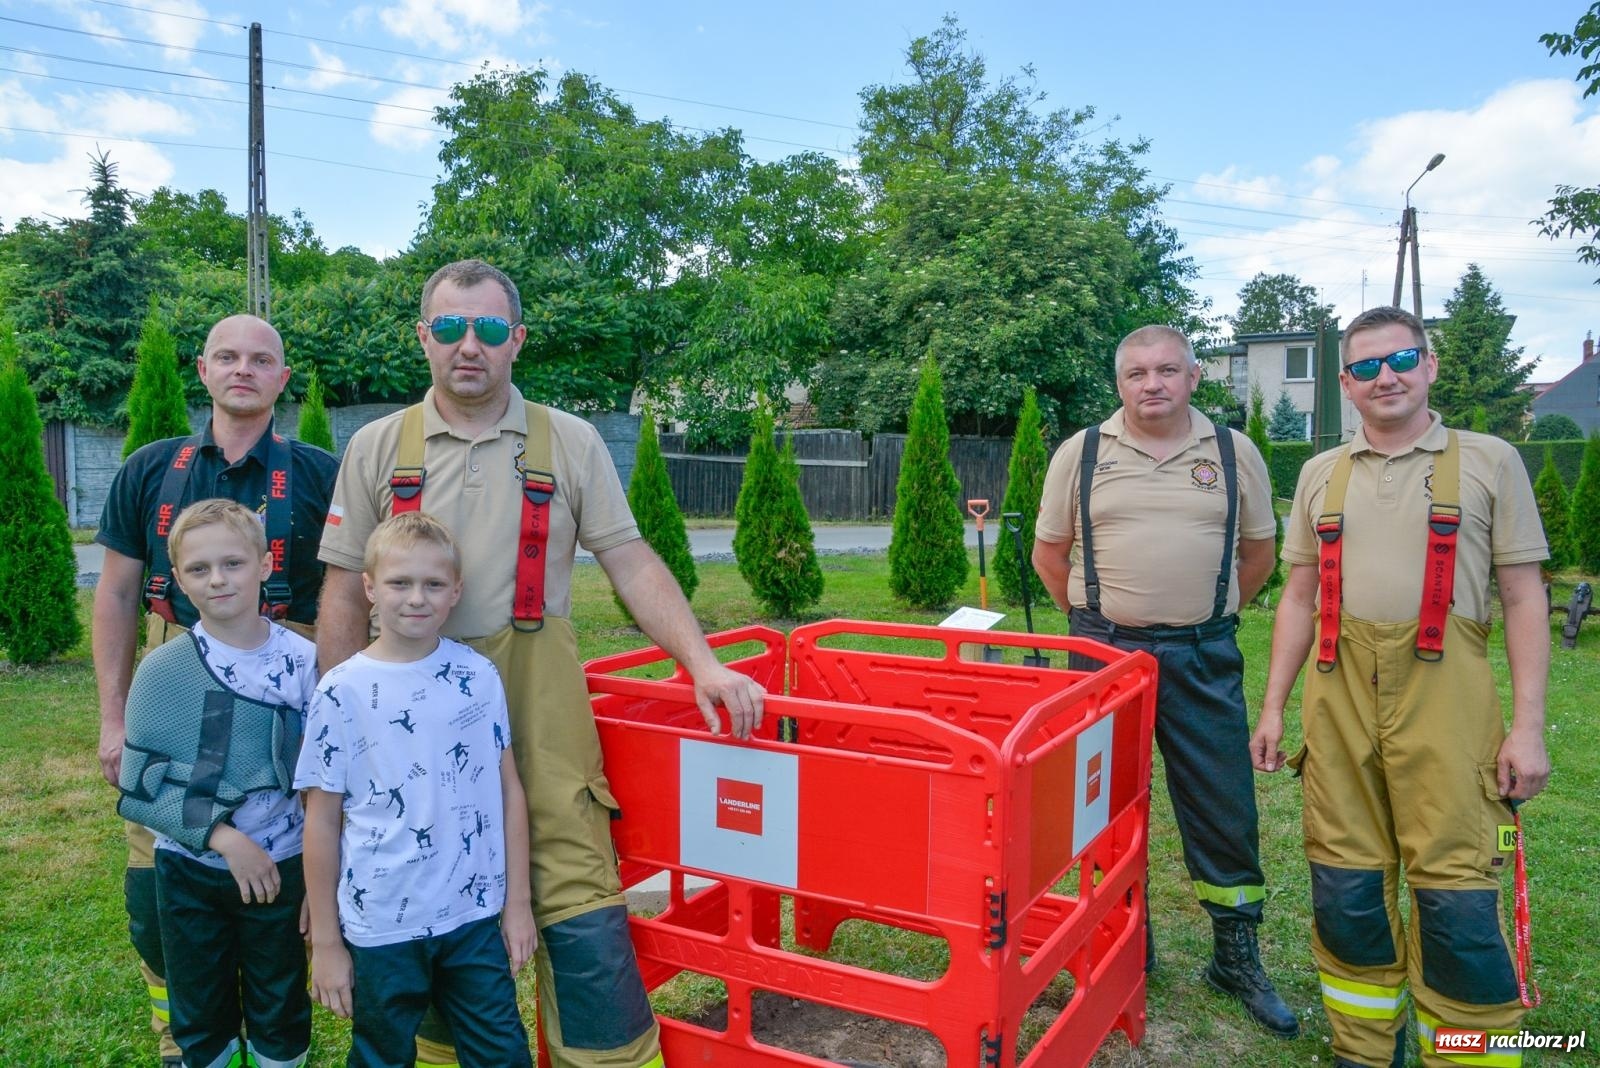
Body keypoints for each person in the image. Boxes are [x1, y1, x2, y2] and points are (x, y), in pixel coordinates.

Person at [315, 259, 765, 1068]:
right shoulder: (379, 446)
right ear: (424, 338)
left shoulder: (571, 440)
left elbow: (628, 558)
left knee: (577, 884)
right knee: (429, 875)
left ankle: (609, 1058)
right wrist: (338, 726)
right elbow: (346, 594)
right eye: (449, 328)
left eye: (488, 329)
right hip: (411, 707)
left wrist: (702, 663)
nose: (468, 347)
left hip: (539, 695)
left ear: (515, 341)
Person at [1251, 306, 1549, 1068]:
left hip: (1449, 699)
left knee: (1455, 887)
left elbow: (1522, 596)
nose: (1387, 376)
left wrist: (1528, 727)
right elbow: (1296, 595)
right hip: (1335, 693)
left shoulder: (1488, 461)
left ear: (1430, 366)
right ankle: (1362, 1045)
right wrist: (1275, 708)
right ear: (1347, 384)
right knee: (1344, 880)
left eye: (1403, 359)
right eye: (1366, 366)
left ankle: (1464, 1051)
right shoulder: (1322, 473)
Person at [1031, 324, 1297, 1038]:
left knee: (1222, 803)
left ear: (1193, 377)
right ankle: (1124, 940)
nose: (1153, 384)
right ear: (1118, 384)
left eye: (1168, 371)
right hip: (1105, 658)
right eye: (1137, 373)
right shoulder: (1081, 453)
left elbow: (1260, 555)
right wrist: (1095, 624)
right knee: (1106, 803)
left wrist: (1198, 614)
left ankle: (1235, 956)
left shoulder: (1233, 452)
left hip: (1203, 655)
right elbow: (1050, 555)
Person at [94, 314, 339, 1066]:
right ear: (201, 369)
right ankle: (186, 1042)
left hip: (292, 659)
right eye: (227, 357)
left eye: (260, 360)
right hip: (178, 663)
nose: (243, 369)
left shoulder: (318, 472)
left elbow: (343, 593)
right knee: (157, 899)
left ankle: (272, 1039)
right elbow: (117, 594)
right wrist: (112, 719)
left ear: (281, 378)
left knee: (280, 891)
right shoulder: (149, 468)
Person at [299, 512, 536, 1068]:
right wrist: (328, 943)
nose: (416, 598)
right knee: (381, 1055)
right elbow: (322, 819)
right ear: (370, 588)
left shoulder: (477, 675)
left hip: (474, 917)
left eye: (433, 584)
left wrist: (517, 905)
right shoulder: (341, 691)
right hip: (381, 924)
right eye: (400, 583)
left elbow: (508, 792)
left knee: (502, 1053)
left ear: (456, 591)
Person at [116, 499, 318, 1068]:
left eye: (232, 563)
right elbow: (140, 782)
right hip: (190, 870)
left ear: (265, 563)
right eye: (199, 570)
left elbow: (326, 777)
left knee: (279, 1001)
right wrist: (226, 840)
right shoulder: (164, 668)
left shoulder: (306, 663)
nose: (218, 579)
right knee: (199, 1009)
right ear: (178, 579)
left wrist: (321, 877)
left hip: (285, 864)